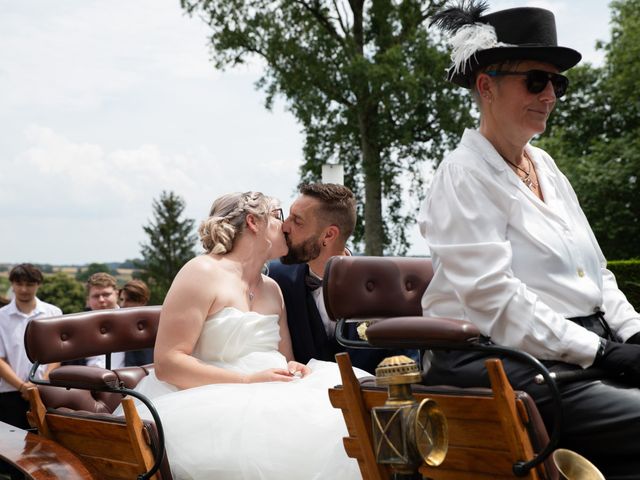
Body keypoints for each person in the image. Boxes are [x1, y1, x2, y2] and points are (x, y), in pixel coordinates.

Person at [420, 3, 640, 478]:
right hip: (496, 360)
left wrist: (633, 333)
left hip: (567, 353)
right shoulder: (462, 174)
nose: (550, 95)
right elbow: (494, 299)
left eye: (557, 83)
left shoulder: (547, 167)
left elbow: (597, 273)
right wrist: (600, 352)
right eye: (535, 81)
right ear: (486, 86)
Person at [123, 191, 365, 479]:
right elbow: (167, 363)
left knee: (349, 410)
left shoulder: (273, 288)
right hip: (209, 396)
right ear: (253, 222)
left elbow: (285, 357)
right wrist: (247, 381)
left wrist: (293, 367)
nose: (286, 226)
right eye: (279, 216)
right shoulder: (201, 271)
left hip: (274, 388)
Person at [269, 182, 415, 374]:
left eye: (297, 221)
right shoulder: (276, 278)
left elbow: (407, 359)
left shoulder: (385, 284)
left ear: (328, 235)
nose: (284, 226)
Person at [0, 264, 61, 429]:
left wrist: (41, 381)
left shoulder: (53, 313)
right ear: (12, 284)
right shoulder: (1, 317)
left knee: (48, 447)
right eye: (19, 284)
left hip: (45, 391)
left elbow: (57, 354)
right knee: (11, 450)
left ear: (38, 285)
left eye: (29, 284)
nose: (24, 289)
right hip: (10, 394)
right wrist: (22, 386)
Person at [84, 272, 125, 369]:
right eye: (96, 296)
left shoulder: (133, 323)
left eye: (106, 294)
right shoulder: (79, 327)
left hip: (126, 382)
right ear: (88, 299)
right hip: (86, 382)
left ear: (117, 294)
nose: (101, 300)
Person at [119, 279, 154, 367]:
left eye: (129, 300)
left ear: (143, 301)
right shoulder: (118, 325)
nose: (123, 304)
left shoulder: (153, 328)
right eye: (121, 299)